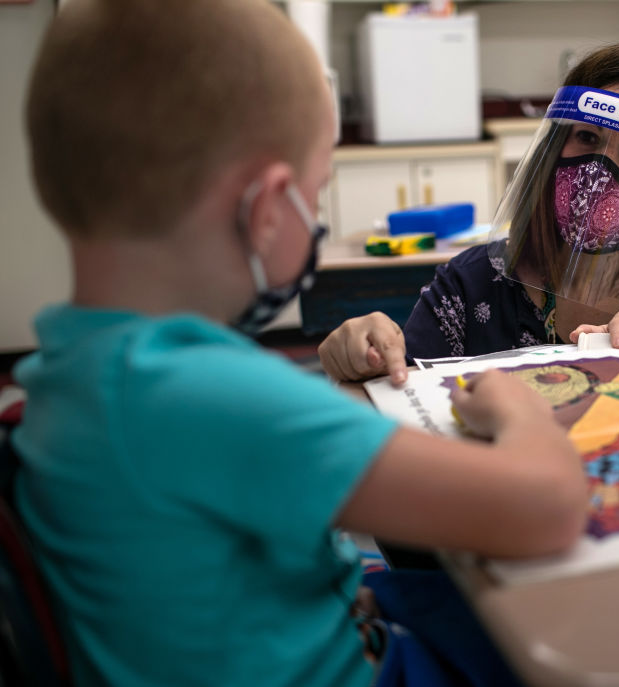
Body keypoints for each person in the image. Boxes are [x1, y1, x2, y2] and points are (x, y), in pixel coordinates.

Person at [13, 1, 588, 685]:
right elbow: (548, 506)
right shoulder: (215, 397)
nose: (314, 218)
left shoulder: (57, 371)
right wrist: (515, 408)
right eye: (316, 196)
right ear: (266, 209)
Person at [319, 41, 619, 383]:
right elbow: (398, 394)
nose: (598, 173)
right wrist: (363, 360)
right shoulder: (473, 283)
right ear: (554, 147)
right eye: (587, 137)